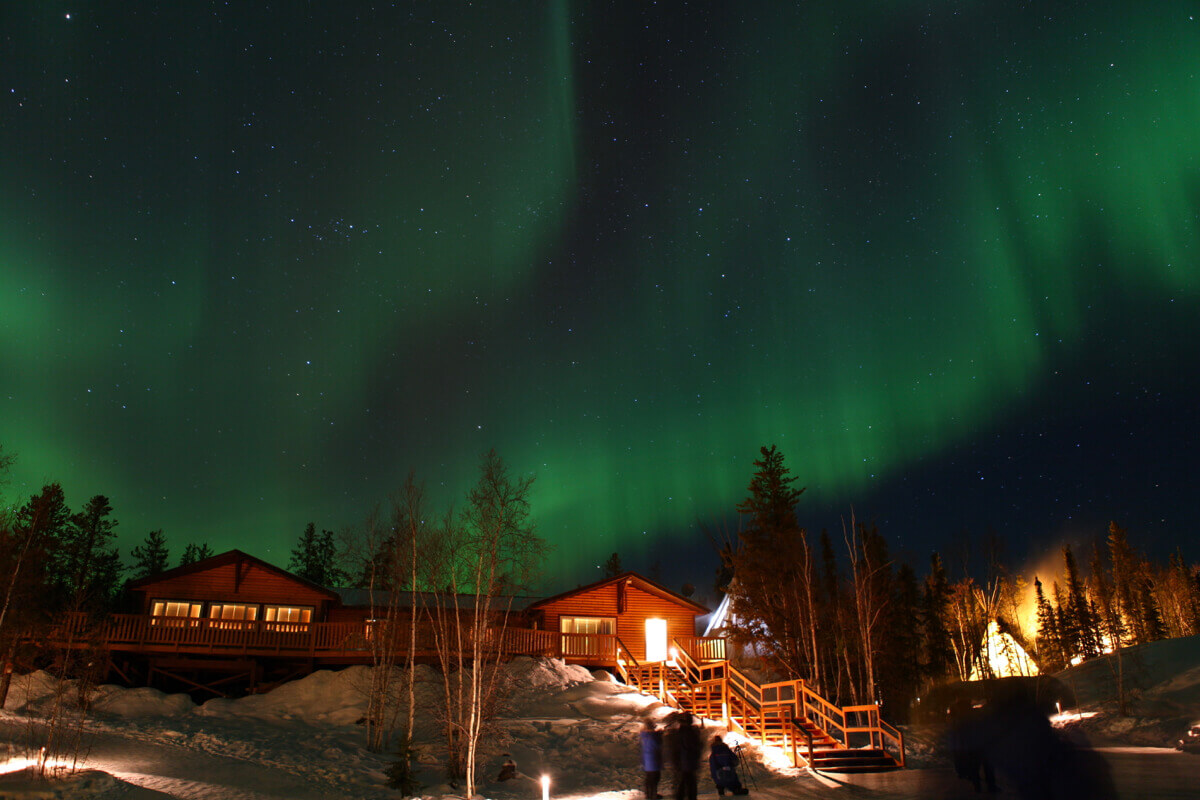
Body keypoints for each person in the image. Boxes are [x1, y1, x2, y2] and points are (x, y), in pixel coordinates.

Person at [671, 712, 702, 800]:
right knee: (689, 781)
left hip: (685, 760)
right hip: (688, 760)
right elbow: (691, 746)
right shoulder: (688, 732)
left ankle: (681, 796)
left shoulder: (682, 731)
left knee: (685, 780)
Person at [640, 718, 664, 799]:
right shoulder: (654, 737)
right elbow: (657, 746)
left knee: (649, 779)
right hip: (654, 760)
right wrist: (659, 735)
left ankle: (649, 794)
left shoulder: (644, 736)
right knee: (655, 779)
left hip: (647, 761)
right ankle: (653, 795)